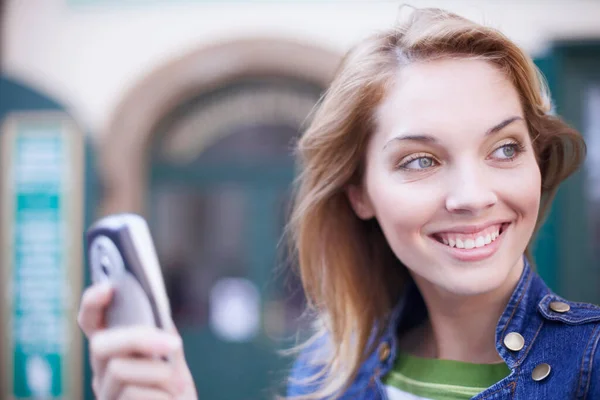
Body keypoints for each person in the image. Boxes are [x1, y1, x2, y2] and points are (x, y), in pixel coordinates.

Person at [77, 7, 600, 400]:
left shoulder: (590, 363)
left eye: (504, 148)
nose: (473, 196)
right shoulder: (325, 373)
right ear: (359, 192)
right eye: (420, 160)